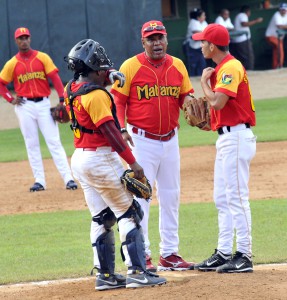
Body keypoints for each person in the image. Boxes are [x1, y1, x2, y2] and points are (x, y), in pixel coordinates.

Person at [63, 38, 166, 290]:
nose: (105, 72)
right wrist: (133, 163)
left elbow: (97, 77)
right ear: (93, 69)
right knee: (130, 212)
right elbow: (110, 131)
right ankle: (138, 271)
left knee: (102, 217)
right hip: (101, 158)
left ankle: (105, 276)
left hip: (80, 160)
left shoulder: (71, 87)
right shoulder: (97, 96)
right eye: (102, 68)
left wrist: (111, 74)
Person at [110, 20, 195, 272]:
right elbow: (118, 100)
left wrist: (190, 103)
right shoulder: (131, 66)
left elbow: (184, 95)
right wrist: (122, 128)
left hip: (171, 139)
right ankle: (142, 253)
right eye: (151, 39)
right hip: (141, 140)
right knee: (141, 197)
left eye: (160, 38)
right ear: (143, 42)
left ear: (167, 40)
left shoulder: (177, 65)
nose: (157, 42)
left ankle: (169, 253)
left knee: (171, 196)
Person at [192, 24, 257, 273]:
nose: (200, 46)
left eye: (203, 42)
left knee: (237, 198)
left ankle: (244, 254)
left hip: (237, 139)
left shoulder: (230, 67)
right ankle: (223, 252)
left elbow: (218, 102)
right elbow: (221, 110)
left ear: (212, 45)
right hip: (227, 138)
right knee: (222, 198)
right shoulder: (223, 68)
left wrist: (204, 84)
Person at [0, 27, 78, 192]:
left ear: (30, 39)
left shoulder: (42, 58)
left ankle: (68, 178)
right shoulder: (12, 63)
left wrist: (62, 99)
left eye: (26, 37)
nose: (24, 40)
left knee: (54, 141)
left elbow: (55, 79)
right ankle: (40, 181)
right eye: (21, 38)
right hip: (24, 106)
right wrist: (10, 98)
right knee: (31, 143)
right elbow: (1, 84)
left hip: (43, 104)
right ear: (16, 41)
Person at [229, 5, 263, 70]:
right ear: (247, 11)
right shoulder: (242, 15)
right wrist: (256, 21)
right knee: (249, 57)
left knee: (242, 57)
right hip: (242, 40)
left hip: (239, 40)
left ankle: (245, 71)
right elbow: (244, 24)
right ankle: (250, 71)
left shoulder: (239, 15)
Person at [183, 8, 208, 76]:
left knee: (201, 65)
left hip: (199, 47)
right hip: (191, 47)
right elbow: (196, 35)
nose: (204, 17)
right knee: (192, 66)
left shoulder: (203, 23)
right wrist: (205, 33)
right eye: (203, 15)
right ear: (198, 17)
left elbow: (206, 32)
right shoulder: (193, 22)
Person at [265, 3, 287, 69]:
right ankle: (280, 66)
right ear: (279, 10)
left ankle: (275, 66)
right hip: (270, 36)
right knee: (279, 48)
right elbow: (279, 25)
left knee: (276, 50)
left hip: (279, 37)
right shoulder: (276, 14)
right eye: (282, 10)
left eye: (285, 10)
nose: (283, 11)